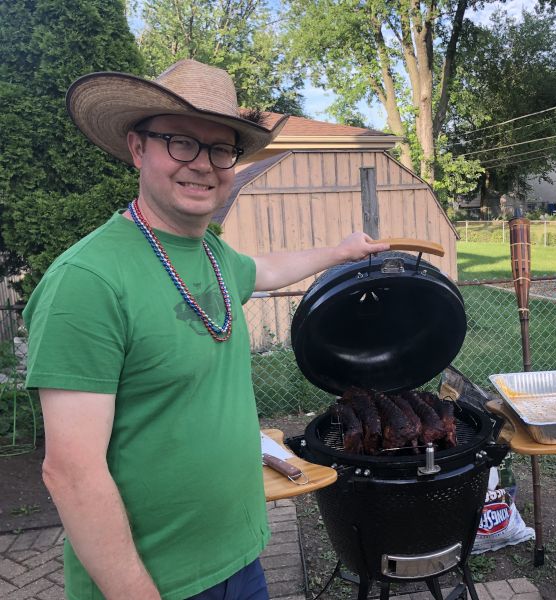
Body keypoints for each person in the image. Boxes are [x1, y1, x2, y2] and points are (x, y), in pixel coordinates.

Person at [23, 59, 389, 600]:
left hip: (240, 558)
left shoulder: (211, 253)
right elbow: (70, 473)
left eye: (221, 149)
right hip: (154, 583)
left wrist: (340, 252)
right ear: (137, 147)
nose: (204, 164)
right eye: (180, 142)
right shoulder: (87, 281)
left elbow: (263, 269)